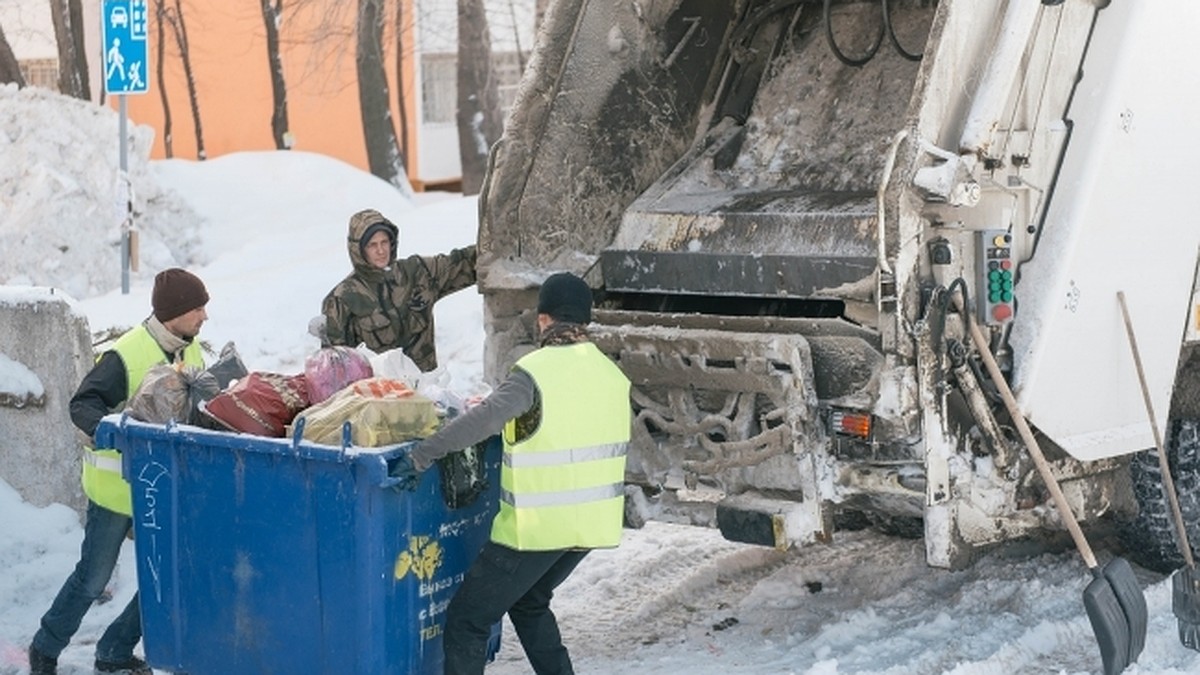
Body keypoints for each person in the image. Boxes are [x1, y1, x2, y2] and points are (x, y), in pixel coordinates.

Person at [391, 272, 632, 675]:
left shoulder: (534, 373)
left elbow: (482, 420)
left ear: (544, 319)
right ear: (585, 321)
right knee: (529, 600)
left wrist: (422, 454)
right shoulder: (612, 376)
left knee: (468, 621)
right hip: (590, 526)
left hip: (538, 528)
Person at [28, 268, 210, 675]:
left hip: (163, 487)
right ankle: (45, 647)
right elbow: (83, 404)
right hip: (116, 487)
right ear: (174, 312)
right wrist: (115, 429)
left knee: (165, 573)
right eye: (198, 308)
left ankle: (113, 651)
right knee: (93, 579)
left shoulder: (191, 351)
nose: (204, 317)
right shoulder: (126, 354)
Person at [320, 208, 477, 372]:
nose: (381, 251)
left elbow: (464, 262)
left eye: (384, 242)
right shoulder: (342, 299)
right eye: (372, 245)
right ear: (358, 250)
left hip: (425, 388)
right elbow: (336, 370)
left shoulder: (417, 272)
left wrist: (500, 244)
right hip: (380, 393)